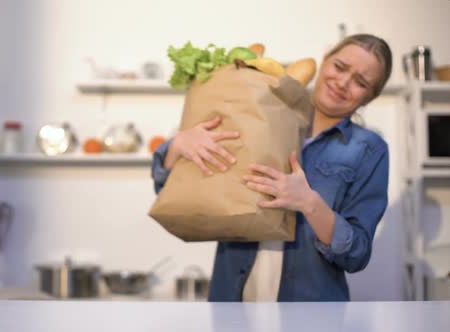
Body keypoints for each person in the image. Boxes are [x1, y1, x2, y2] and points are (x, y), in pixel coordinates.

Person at [151, 34, 393, 302]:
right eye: (340, 67)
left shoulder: (368, 150)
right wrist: (178, 147)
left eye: (361, 82)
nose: (343, 82)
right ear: (324, 61)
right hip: (232, 300)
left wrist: (311, 204)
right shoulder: (257, 110)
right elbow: (175, 190)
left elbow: (357, 254)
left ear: (371, 97)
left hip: (311, 310)